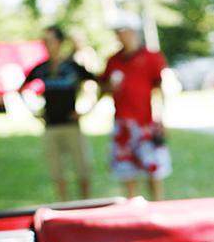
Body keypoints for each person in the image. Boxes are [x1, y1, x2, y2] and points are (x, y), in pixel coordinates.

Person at [102, 15, 171, 201]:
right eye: (117, 33)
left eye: (122, 31)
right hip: (123, 124)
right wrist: (110, 87)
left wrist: (161, 118)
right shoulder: (113, 61)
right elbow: (103, 87)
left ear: (132, 31)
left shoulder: (151, 57)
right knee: (127, 171)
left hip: (146, 122)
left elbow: (160, 89)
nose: (119, 36)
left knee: (153, 170)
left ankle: (157, 206)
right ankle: (134, 209)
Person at [24, 26, 96, 202]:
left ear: (60, 42)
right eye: (45, 41)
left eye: (51, 40)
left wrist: (86, 110)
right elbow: (22, 89)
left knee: (83, 169)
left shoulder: (72, 67)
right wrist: (35, 112)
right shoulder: (41, 69)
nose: (47, 45)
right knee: (58, 172)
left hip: (71, 125)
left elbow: (98, 83)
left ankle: (85, 204)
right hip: (51, 125)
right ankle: (64, 205)